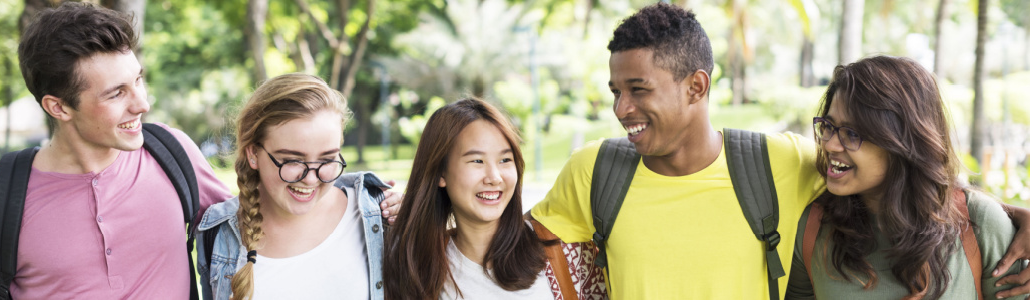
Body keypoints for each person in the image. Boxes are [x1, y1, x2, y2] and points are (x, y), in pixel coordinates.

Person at [527, 3, 1030, 299]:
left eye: (638, 89)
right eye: (615, 91)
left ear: (696, 87)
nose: (621, 108)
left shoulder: (777, 163)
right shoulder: (594, 170)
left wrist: (1006, 215)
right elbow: (514, 245)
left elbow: (911, 175)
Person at [0, 3, 232, 299]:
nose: (142, 104)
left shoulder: (173, 154)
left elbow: (251, 232)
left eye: (138, 80)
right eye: (116, 93)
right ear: (58, 107)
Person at [784, 56, 1026, 299]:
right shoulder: (812, 228)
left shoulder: (981, 225)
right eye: (828, 125)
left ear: (902, 144)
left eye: (852, 133)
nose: (830, 144)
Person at [196, 73, 398, 300]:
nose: (311, 180)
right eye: (292, 160)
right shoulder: (218, 234)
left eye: (327, 159)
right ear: (253, 153)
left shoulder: (376, 217)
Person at [383, 98, 606, 300]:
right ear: (441, 173)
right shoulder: (416, 268)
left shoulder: (566, 255)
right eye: (477, 161)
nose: (494, 177)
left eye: (505, 160)